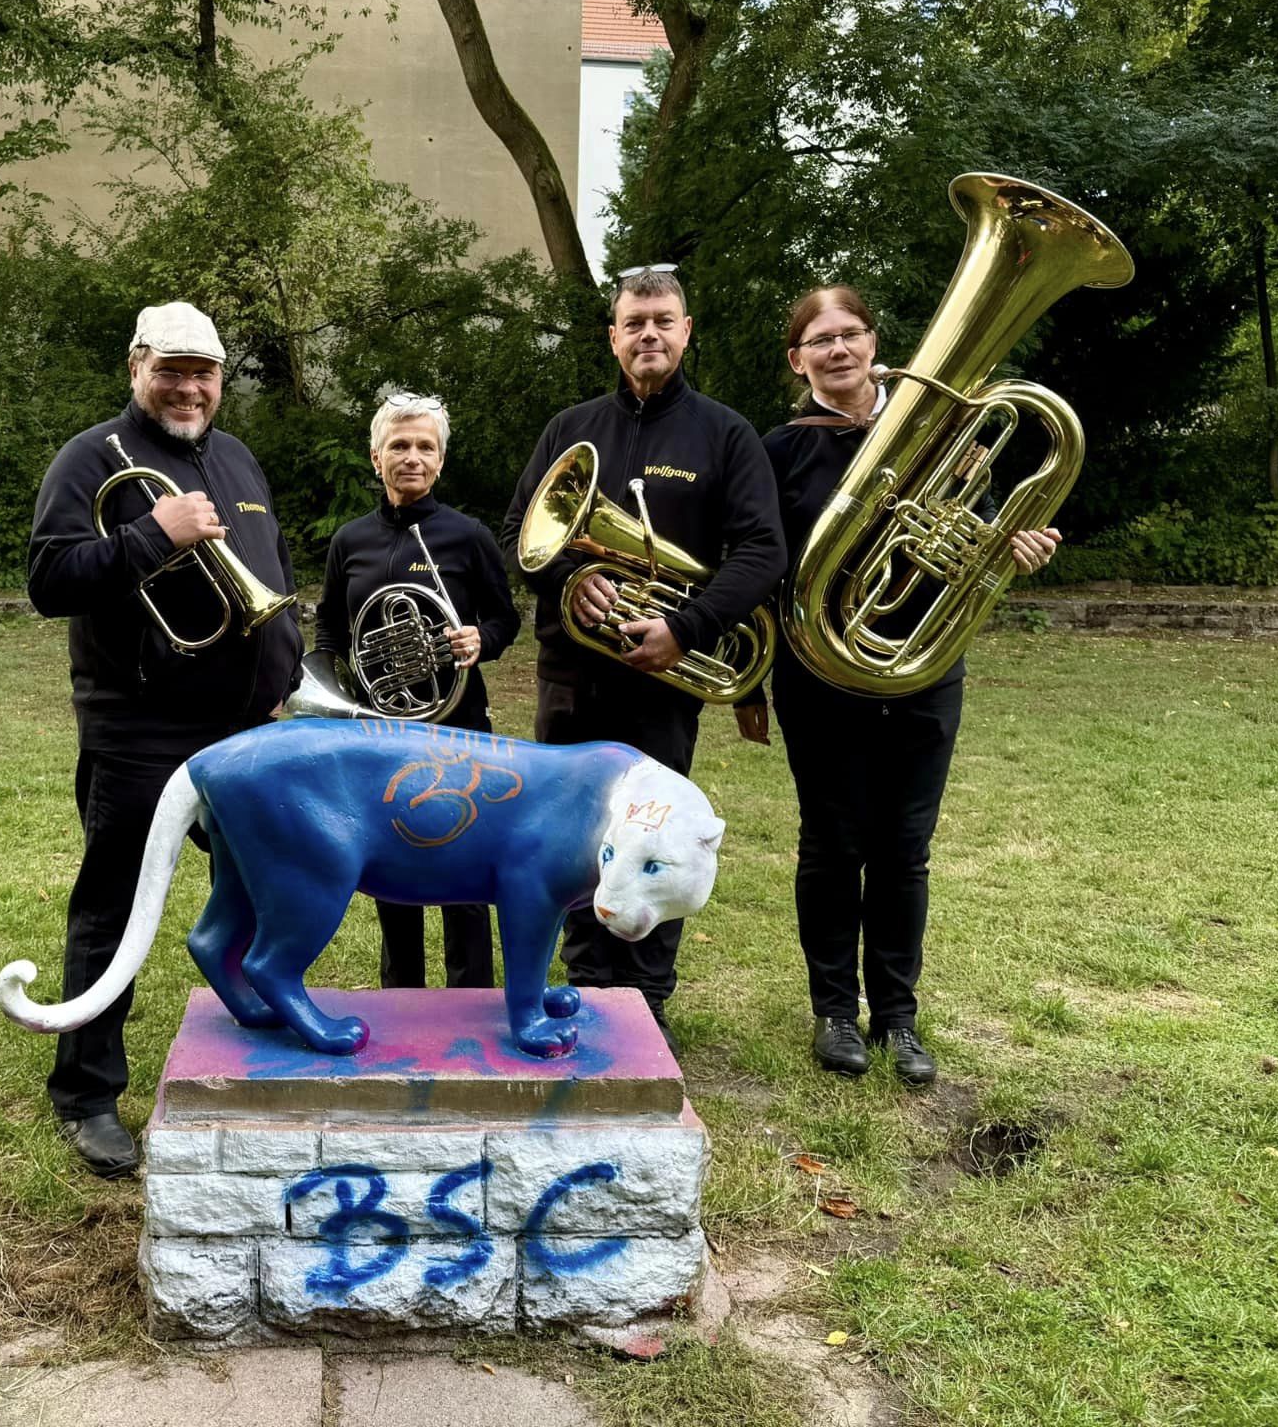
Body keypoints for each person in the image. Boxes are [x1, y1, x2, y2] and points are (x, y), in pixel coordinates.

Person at [737, 284, 1060, 1086]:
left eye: (851, 334)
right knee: (832, 843)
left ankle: (900, 1017)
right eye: (821, 340)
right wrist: (746, 685)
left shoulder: (942, 433)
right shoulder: (779, 452)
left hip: (921, 669)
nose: (838, 350)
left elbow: (978, 535)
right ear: (797, 358)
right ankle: (835, 1012)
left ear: (876, 342)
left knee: (904, 851)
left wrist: (1009, 547)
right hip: (818, 676)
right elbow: (758, 567)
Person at [27, 302, 302, 1177]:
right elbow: (50, 579)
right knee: (115, 906)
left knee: (260, 891)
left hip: (244, 725)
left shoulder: (235, 457)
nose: (189, 386)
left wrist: (283, 672)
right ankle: (86, 1092)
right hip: (140, 726)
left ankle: (256, 1045)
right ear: (136, 365)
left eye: (204, 372)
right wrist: (153, 535)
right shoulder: (90, 459)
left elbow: (274, 573)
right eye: (171, 368)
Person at [500, 267, 786, 1031]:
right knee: (574, 833)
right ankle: (586, 982)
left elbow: (762, 551)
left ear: (686, 331)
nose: (649, 334)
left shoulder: (725, 432)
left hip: (666, 677)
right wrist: (567, 584)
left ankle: (645, 1001)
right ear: (614, 336)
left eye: (664, 320)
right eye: (635, 322)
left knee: (654, 830)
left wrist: (686, 629)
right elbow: (518, 531)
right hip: (573, 672)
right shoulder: (570, 427)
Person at [317, 393, 522, 988]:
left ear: (441, 460)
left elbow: (506, 619)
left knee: (465, 870)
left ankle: (472, 995)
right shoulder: (350, 541)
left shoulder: (467, 535)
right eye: (399, 446)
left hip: (459, 724)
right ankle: (401, 994)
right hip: (382, 727)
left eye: (425, 447)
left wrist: (479, 639)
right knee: (393, 870)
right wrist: (334, 682)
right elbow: (331, 626)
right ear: (376, 458)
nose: (413, 457)